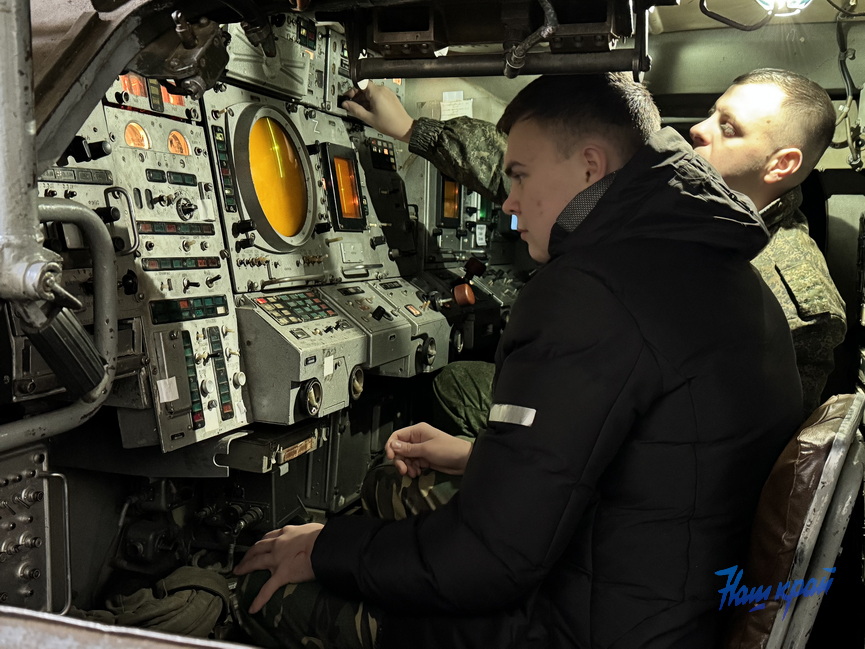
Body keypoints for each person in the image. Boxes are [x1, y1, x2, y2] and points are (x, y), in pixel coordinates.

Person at [234, 73, 802, 648]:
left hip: (579, 629)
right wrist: (484, 459)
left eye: (520, 175)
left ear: (590, 168)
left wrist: (324, 547)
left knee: (264, 588)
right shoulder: (731, 277)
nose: (508, 201)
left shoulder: (590, 291)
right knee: (390, 489)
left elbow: (487, 562)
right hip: (666, 607)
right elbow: (648, 466)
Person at [343, 68, 846, 420]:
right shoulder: (674, 202)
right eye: (711, 114)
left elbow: (745, 455)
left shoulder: (799, 301)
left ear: (782, 164)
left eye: (727, 127)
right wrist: (412, 130)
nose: (697, 129)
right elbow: (546, 182)